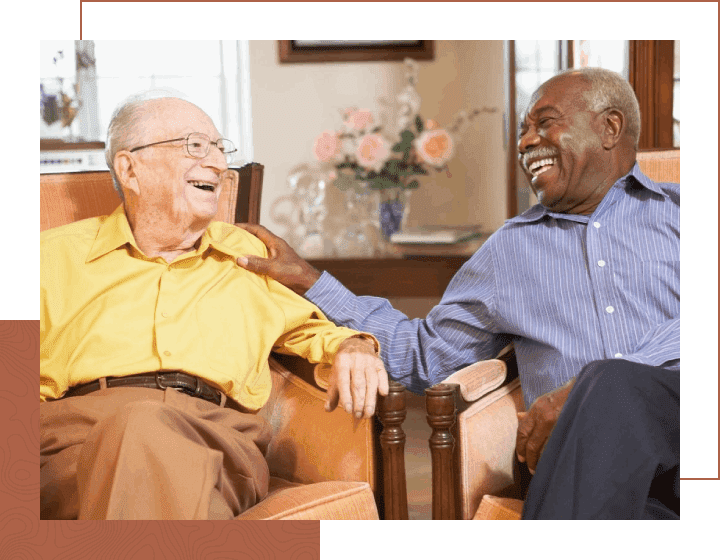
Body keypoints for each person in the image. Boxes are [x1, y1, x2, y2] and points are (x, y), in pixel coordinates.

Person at [236, 68, 680, 520]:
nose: (526, 143)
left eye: (544, 123)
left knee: (612, 385)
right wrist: (311, 281)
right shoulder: (509, 251)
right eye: (523, 131)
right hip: (579, 463)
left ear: (610, 128)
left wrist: (586, 388)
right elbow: (425, 356)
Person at [40, 93, 389, 520]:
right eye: (195, 146)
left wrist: (354, 346)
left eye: (220, 149)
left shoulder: (248, 254)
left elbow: (313, 330)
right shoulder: (48, 257)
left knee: (145, 434)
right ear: (130, 169)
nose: (219, 165)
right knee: (153, 455)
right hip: (75, 443)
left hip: (216, 441)